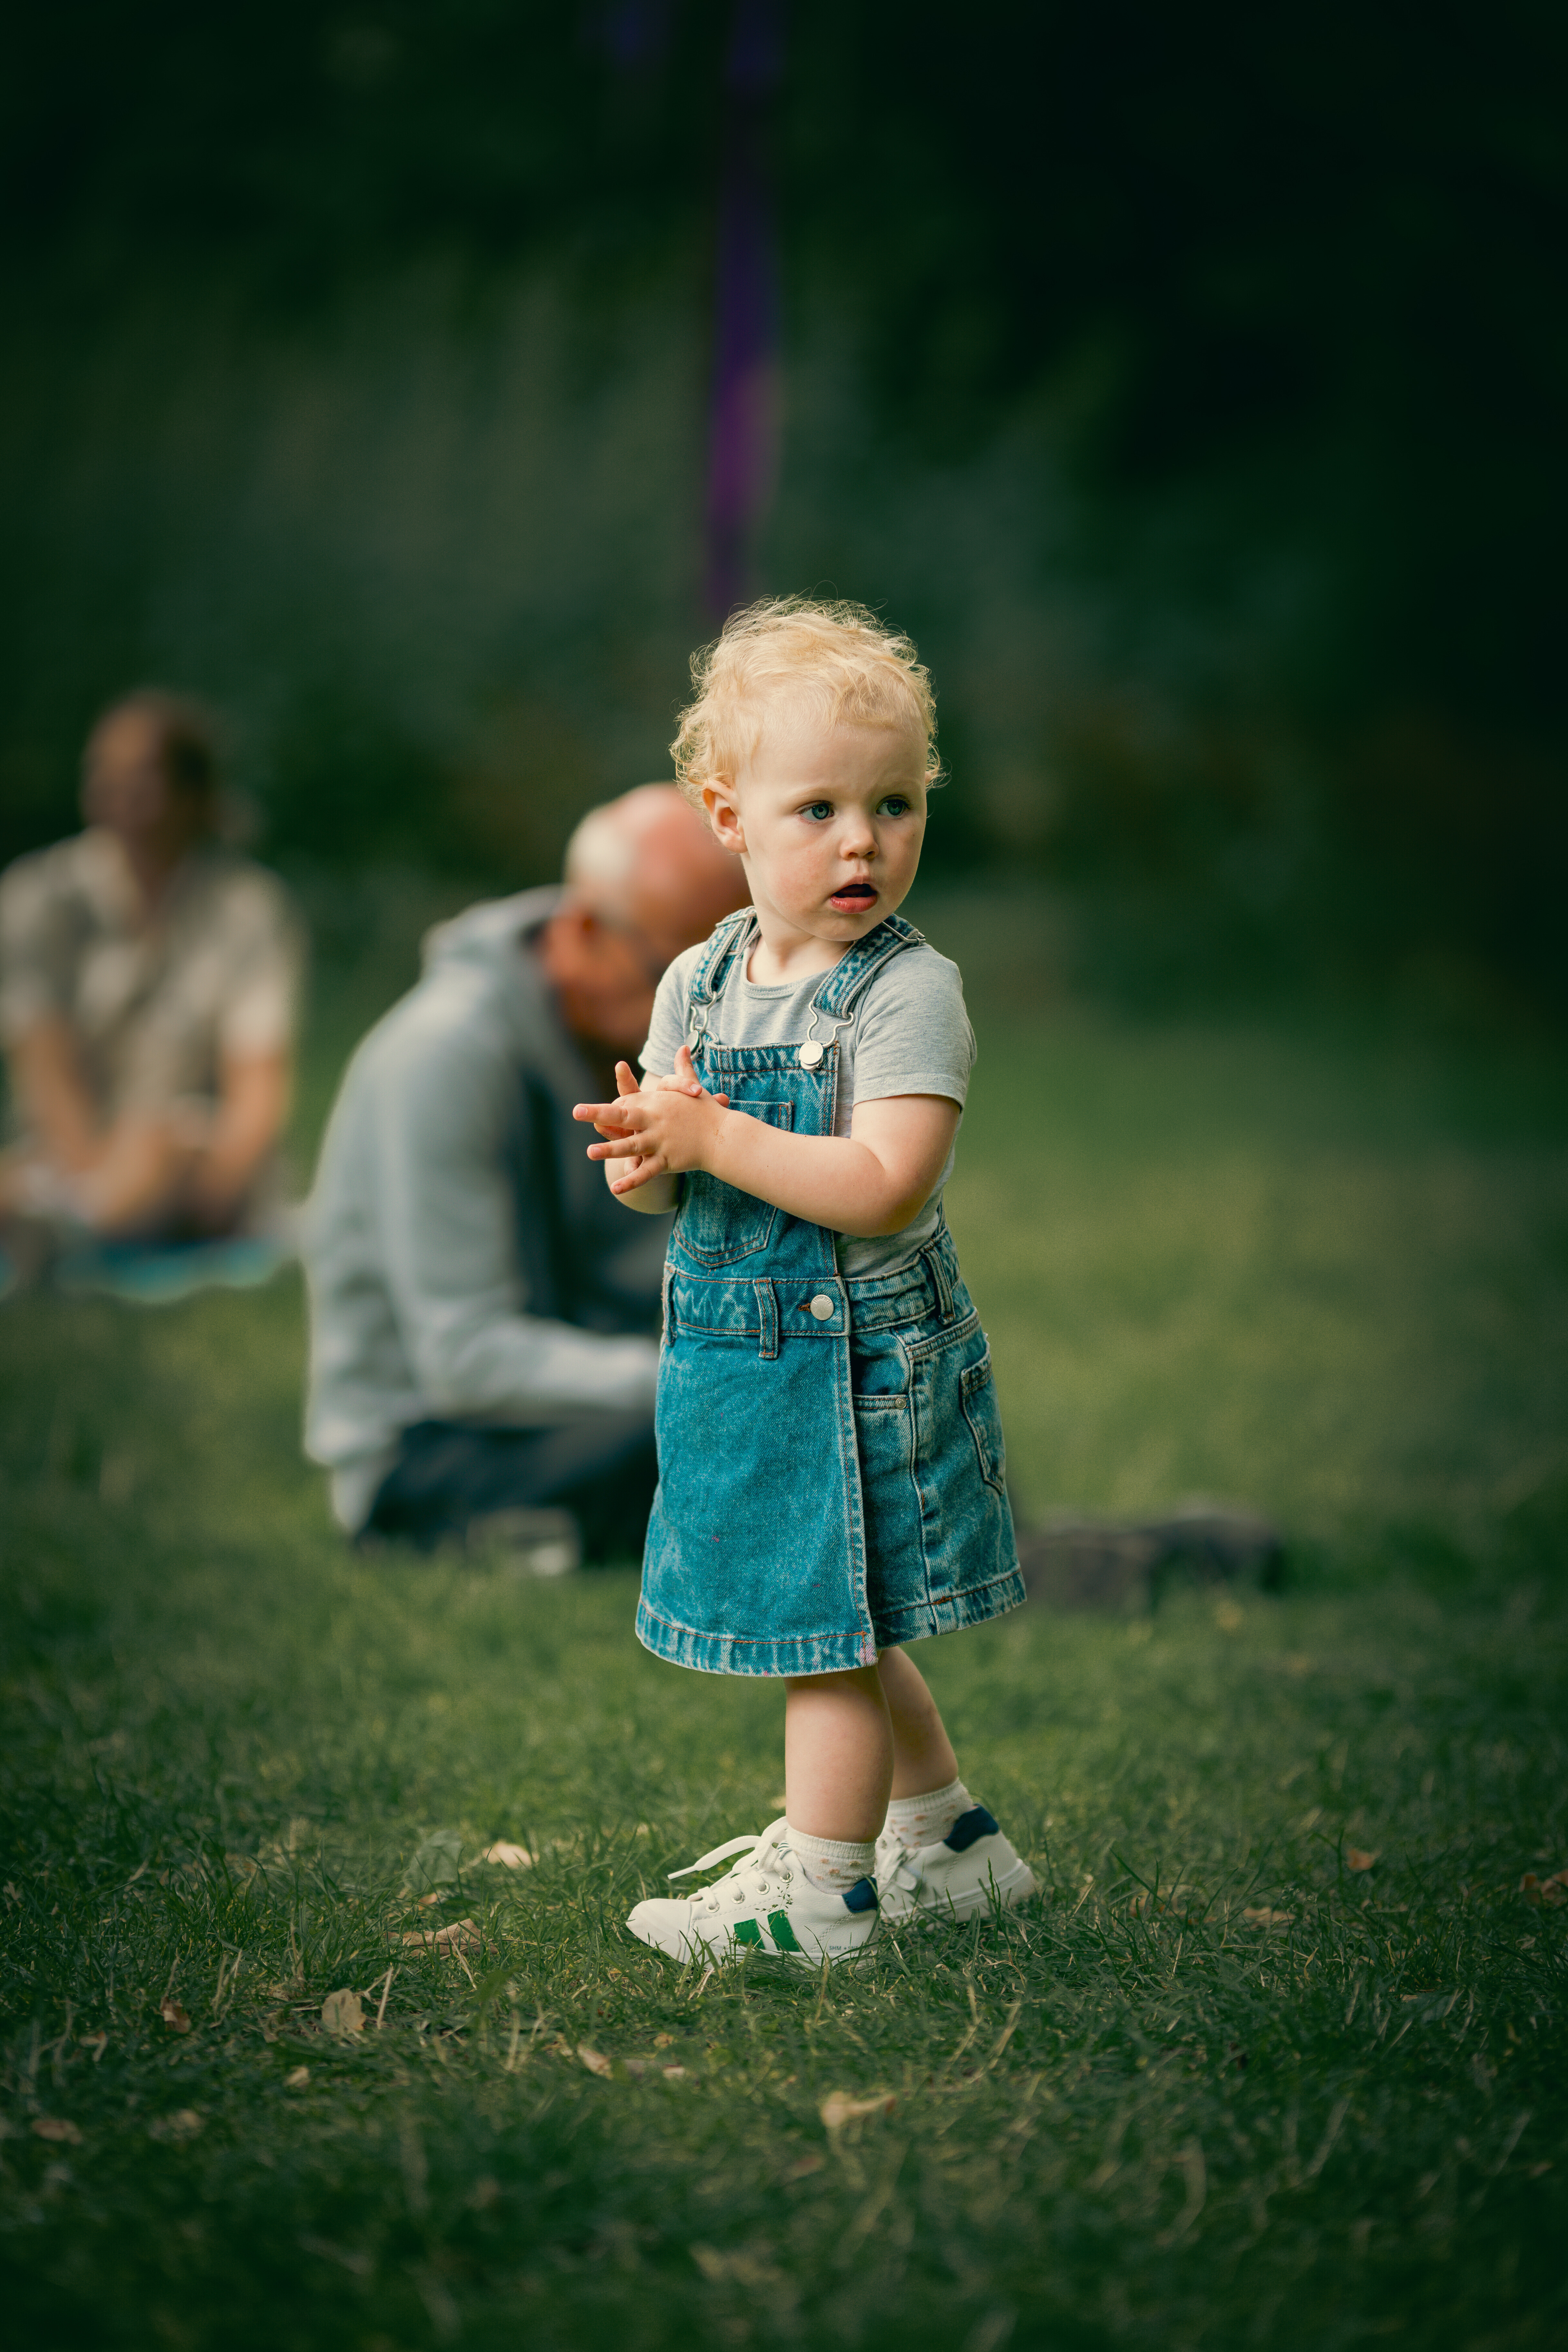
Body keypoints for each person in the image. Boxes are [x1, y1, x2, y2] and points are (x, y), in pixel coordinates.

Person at [573, 599, 1036, 1963]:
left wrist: (717, 1132)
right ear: (727, 817)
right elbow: (677, 1181)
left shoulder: (907, 991)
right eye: (817, 806)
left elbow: (888, 1177)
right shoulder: (696, 981)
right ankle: (947, 1844)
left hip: (862, 1367)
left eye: (892, 804)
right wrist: (650, 1160)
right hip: (736, 1358)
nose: (859, 839)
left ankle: (823, 1894)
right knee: (830, 1608)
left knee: (819, 1636)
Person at [303, 784, 748, 1562]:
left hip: (589, 1394)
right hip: (435, 1448)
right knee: (731, 1423)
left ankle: (983, 1548)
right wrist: (701, 1374)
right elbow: (465, 1360)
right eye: (674, 979)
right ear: (582, 933)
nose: (703, 1019)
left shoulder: (638, 1042)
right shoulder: (442, 1056)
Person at [0, 692, 303, 1279]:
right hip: (70, 1159)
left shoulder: (247, 911)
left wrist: (221, 1184)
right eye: (104, 774)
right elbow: (45, 1070)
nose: (119, 793)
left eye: (141, 776)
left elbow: (257, 1087)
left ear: (193, 795)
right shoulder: (39, 899)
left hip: (191, 1156)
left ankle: (69, 1239)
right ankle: (83, 1225)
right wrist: (97, 1178)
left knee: (158, 1146)